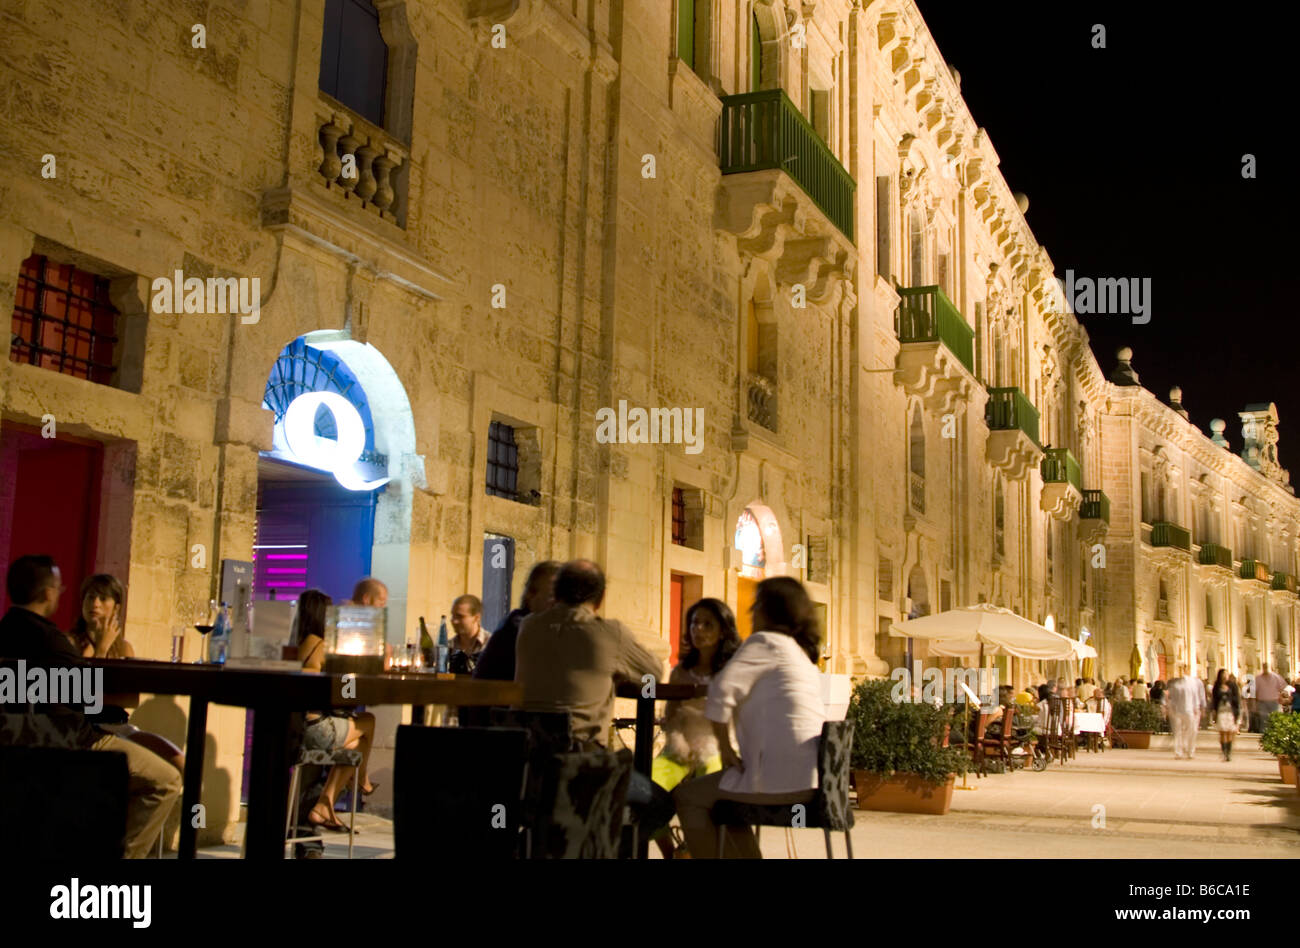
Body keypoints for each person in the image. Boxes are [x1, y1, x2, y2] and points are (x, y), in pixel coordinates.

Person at [0, 555, 181, 858]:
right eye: (59, 588)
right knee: (166, 781)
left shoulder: (6, 630)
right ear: (47, 593)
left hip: (20, 742)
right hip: (71, 742)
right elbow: (87, 696)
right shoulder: (52, 641)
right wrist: (98, 650)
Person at [673, 577, 826, 859]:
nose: (751, 612)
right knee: (726, 805)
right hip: (812, 782)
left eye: (756, 605)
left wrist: (725, 748)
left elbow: (720, 691)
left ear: (768, 610)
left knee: (688, 797)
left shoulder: (765, 642)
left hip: (778, 781)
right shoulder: (800, 653)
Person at [515, 559, 662, 747]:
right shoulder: (610, 633)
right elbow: (653, 672)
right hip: (581, 761)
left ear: (557, 593)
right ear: (601, 598)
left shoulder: (528, 626)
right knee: (641, 778)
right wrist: (614, 675)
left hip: (528, 759)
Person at [649, 598, 741, 859]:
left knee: (704, 796)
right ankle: (671, 852)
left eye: (707, 624)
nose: (698, 629)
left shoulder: (732, 670)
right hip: (680, 746)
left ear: (723, 631)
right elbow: (671, 715)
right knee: (643, 791)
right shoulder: (681, 671)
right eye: (694, 623)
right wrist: (677, 742)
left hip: (718, 746)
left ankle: (693, 849)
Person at [67, 574, 184, 773]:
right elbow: (82, 698)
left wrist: (104, 694)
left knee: (179, 762)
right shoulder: (70, 643)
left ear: (117, 607)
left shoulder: (124, 648)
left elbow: (131, 699)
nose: (94, 603)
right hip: (88, 730)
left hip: (120, 726)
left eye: (103, 599)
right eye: (90, 597)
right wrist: (102, 650)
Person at [295, 589, 377, 831]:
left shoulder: (300, 643)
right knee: (369, 720)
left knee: (355, 745)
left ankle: (324, 805)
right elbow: (347, 690)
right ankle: (362, 780)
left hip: (297, 727)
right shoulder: (321, 645)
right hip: (316, 730)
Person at [461, 561, 561, 727]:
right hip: (494, 732)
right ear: (530, 594)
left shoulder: (527, 624)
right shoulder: (519, 627)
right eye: (553, 595)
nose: (558, 604)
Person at [1166, 665, 1206, 760]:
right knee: (1178, 732)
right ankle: (1178, 752)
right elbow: (1171, 698)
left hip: (1190, 710)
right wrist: (1170, 708)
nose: (1182, 671)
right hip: (1178, 711)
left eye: (1184, 669)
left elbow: (1198, 696)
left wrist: (1198, 707)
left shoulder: (1194, 683)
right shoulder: (1175, 684)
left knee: (1192, 731)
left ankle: (1190, 751)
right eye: (1180, 669)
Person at [447, 594, 488, 675]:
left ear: (476, 618)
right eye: (453, 615)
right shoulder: (447, 647)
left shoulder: (491, 645)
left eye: (460, 616)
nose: (454, 621)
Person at [1211, 669, 1240, 761]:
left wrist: (1237, 712)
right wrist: (1214, 711)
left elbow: (1236, 699)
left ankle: (1229, 752)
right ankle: (1223, 751)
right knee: (1222, 731)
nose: (1225, 676)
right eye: (1223, 674)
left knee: (1229, 732)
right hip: (1220, 711)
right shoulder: (1217, 686)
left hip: (1230, 711)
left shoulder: (1232, 685)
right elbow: (1214, 700)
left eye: (1226, 674)